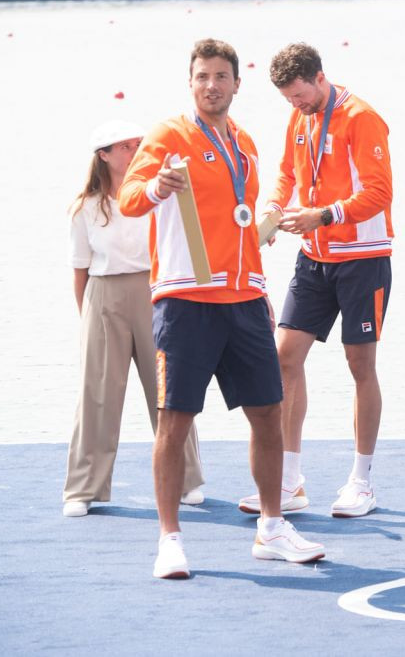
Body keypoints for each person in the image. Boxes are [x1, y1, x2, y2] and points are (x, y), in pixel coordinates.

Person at [119, 38, 324, 578]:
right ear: (190, 83)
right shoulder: (168, 136)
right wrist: (158, 186)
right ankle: (170, 540)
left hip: (244, 297)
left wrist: (260, 281)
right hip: (186, 299)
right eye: (202, 76)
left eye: (221, 76)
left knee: (268, 413)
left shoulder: (245, 143)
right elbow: (129, 199)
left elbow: (242, 222)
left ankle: (272, 528)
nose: (212, 85)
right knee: (175, 420)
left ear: (236, 84)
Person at [237, 43, 393, 519]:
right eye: (288, 99)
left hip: (363, 257)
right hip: (314, 256)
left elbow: (380, 192)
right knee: (284, 357)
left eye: (300, 95)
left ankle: (361, 482)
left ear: (320, 78)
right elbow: (287, 173)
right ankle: (289, 481)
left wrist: (323, 215)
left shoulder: (361, 117)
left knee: (359, 364)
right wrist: (272, 210)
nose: (296, 104)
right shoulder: (300, 117)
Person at [64, 120, 205, 518]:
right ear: (104, 155)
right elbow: (80, 270)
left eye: (137, 144)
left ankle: (187, 479)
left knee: (168, 390)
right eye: (124, 146)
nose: (134, 150)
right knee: (97, 393)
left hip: (155, 291)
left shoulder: (159, 193)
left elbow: (189, 243)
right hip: (103, 295)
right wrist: (89, 319)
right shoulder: (85, 208)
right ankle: (83, 487)